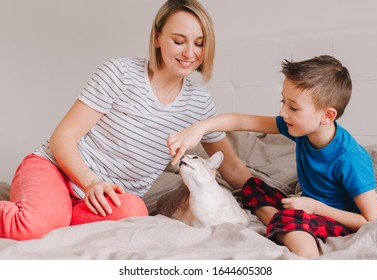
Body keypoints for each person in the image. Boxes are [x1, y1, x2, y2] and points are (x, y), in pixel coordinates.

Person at [0, 0, 251, 241]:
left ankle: (54, 213)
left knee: (135, 212)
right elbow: (62, 137)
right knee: (32, 227)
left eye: (200, 43)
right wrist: (92, 183)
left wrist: (268, 202)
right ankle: (46, 212)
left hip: (107, 197)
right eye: (178, 41)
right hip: (55, 170)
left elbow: (231, 169)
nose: (189, 53)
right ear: (157, 38)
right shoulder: (120, 73)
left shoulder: (200, 103)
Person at [167, 55, 377, 258]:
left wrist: (316, 208)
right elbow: (240, 121)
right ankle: (279, 219)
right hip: (305, 205)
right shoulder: (301, 129)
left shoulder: (350, 159)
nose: (283, 113)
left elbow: (373, 220)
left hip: (336, 217)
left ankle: (306, 254)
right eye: (283, 101)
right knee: (253, 188)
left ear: (327, 115)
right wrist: (201, 127)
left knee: (290, 221)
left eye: (293, 107)